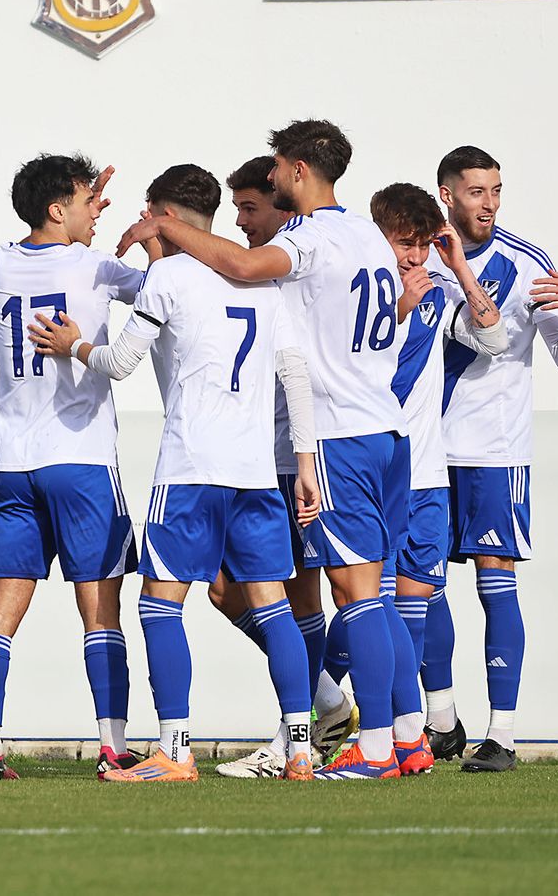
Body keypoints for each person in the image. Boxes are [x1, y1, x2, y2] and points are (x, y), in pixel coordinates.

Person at [116, 120, 411, 779]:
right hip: (382, 428)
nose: (269, 187)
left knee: (350, 593)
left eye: (275, 172)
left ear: (299, 169)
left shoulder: (307, 239)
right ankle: (330, 733)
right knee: (330, 593)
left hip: (330, 435)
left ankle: (376, 747)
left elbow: (248, 266)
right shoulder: (366, 233)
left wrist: (167, 229)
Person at [30, 164, 322, 783]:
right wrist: (304, 462)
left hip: (190, 467)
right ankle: (301, 746)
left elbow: (119, 362)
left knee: (161, 607)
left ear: (163, 215)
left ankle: (176, 751)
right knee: (273, 606)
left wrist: (74, 345)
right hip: (255, 472)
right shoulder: (264, 284)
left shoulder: (168, 276)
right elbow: (295, 375)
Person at [424, 146, 558, 773]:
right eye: (476, 191)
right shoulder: (417, 255)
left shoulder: (526, 265)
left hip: (494, 450)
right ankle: (441, 719)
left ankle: (502, 734)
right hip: (422, 450)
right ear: (447, 195)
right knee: (419, 584)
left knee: (495, 580)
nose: (490, 203)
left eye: (496, 190)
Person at [0, 153, 141, 782]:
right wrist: (146, 239)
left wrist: (87, 209)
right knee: (100, 611)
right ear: (55, 208)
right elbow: (163, 292)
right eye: (86, 199)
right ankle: (113, 747)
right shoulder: (94, 266)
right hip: (81, 460)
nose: (96, 208)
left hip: (13, 461)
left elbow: (54, 247)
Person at [206, 156, 360, 776]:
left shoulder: (291, 263)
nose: (241, 222)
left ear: (283, 206)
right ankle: (322, 704)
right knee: (226, 589)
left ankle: (298, 735)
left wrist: (303, 457)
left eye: (249, 208)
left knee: (305, 594)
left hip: (295, 455)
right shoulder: (273, 270)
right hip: (253, 456)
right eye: (236, 209)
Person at [368, 182, 508, 775]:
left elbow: (496, 337)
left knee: (408, 609)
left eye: (423, 247)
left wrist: (459, 270)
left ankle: (415, 735)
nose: (414, 259)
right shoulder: (361, 297)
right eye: (405, 246)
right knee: (364, 609)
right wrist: (395, 309)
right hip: (366, 470)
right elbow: (365, 378)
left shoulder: (439, 295)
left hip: (423, 477)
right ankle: (363, 723)